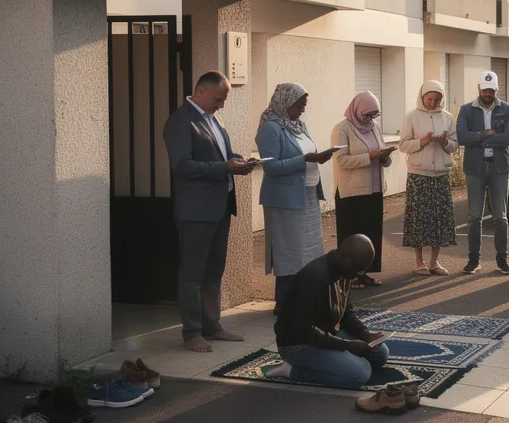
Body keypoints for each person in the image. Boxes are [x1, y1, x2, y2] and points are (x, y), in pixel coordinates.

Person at [162, 71, 257, 353]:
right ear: (200, 91)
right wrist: (224, 168)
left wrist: (237, 162)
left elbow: (219, 158)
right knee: (192, 274)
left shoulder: (213, 119)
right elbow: (182, 166)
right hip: (195, 211)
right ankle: (192, 333)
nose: (222, 105)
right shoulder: (180, 122)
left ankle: (212, 326)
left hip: (220, 207)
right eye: (219, 99)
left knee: (214, 271)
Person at [266, 235, 392, 392]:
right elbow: (303, 331)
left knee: (380, 353)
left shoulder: (344, 271)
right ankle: (292, 370)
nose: (359, 275)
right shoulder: (313, 278)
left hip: (327, 334)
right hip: (298, 344)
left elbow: (346, 312)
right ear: (346, 257)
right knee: (360, 373)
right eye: (358, 270)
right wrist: (347, 345)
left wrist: (365, 334)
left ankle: (337, 360)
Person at [256, 82, 338, 307]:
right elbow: (270, 167)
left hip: (307, 195)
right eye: (299, 104)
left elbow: (307, 151)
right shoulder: (270, 128)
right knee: (289, 250)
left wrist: (319, 157)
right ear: (285, 102)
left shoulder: (299, 125)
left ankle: (304, 298)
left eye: (305, 104)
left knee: (309, 250)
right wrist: (305, 160)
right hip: (284, 200)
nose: (302, 109)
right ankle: (284, 301)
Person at [331, 91, 395, 288]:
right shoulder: (342, 129)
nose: (369, 119)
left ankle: (365, 273)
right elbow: (340, 160)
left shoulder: (374, 127)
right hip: (351, 192)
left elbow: (383, 156)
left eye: (373, 115)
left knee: (371, 233)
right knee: (352, 234)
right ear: (357, 109)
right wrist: (370, 156)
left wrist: (384, 157)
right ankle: (348, 276)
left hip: (374, 189)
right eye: (366, 115)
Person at [456, 71, 509, 275]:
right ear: (479, 88)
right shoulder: (466, 110)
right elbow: (462, 137)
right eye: (485, 89)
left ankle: (503, 259)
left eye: (491, 90)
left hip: (499, 167)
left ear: (496, 89)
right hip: (475, 167)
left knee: (501, 216)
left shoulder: (508, 109)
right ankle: (474, 260)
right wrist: (485, 134)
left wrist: (479, 139)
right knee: (474, 216)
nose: (488, 94)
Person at [398, 80, 457, 275]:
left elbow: (455, 145)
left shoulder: (447, 117)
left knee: (439, 219)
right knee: (419, 219)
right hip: (418, 174)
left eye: (437, 100)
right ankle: (419, 261)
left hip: (441, 174)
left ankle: (434, 262)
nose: (433, 103)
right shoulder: (411, 117)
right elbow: (403, 145)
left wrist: (444, 142)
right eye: (429, 99)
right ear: (422, 97)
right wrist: (422, 142)